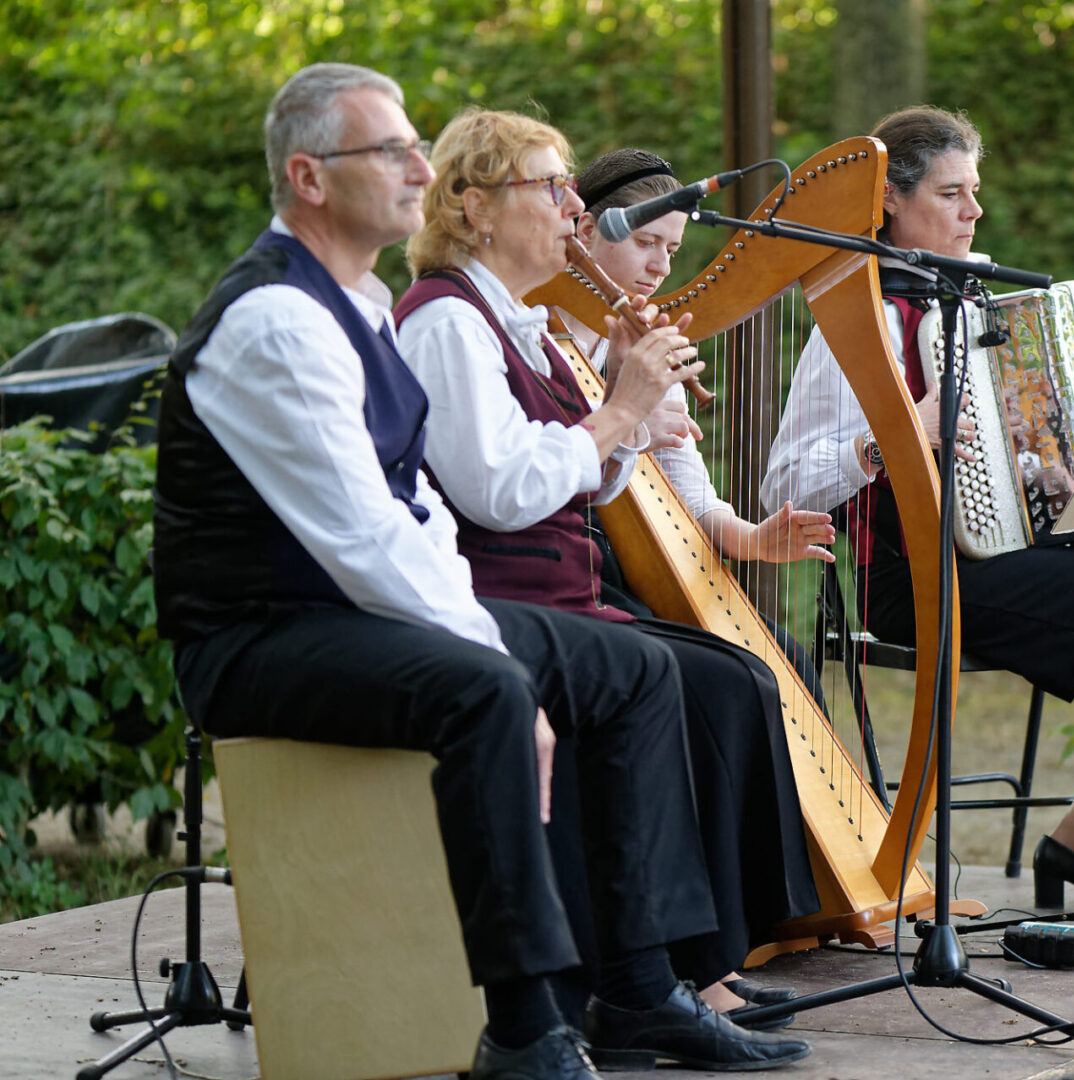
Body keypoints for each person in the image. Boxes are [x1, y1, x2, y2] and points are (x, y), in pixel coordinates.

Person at [152, 64, 806, 1080]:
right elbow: (364, 538)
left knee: (633, 671)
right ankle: (526, 1026)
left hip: (339, 612)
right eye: (392, 151)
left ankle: (637, 988)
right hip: (254, 637)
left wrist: (488, 624)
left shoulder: (358, 303)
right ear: (310, 178)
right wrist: (487, 644)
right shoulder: (276, 320)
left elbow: (410, 514)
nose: (419, 164)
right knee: (485, 687)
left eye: (420, 145)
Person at [761, 106, 1074, 908]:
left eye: (975, 191)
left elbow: (1007, 456)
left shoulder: (978, 308)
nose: (974, 212)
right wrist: (892, 437)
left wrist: (1056, 475)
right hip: (917, 580)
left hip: (1012, 556)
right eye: (952, 194)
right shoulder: (864, 320)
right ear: (889, 199)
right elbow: (781, 482)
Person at [392, 109, 820, 1025]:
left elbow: (590, 477)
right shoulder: (445, 324)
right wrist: (624, 409)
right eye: (549, 189)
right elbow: (496, 494)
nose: (568, 209)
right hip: (494, 597)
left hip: (554, 590)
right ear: (474, 208)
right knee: (699, 677)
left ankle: (692, 963)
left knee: (737, 672)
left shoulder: (522, 325)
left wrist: (628, 395)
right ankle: (656, 977)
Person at [557, 146, 835, 709]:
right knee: (731, 679)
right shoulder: (535, 333)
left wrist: (755, 540)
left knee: (787, 660)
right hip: (567, 563)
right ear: (587, 229)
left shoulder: (651, 342)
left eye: (673, 248)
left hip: (632, 564)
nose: (662, 267)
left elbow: (695, 502)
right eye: (646, 243)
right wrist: (627, 422)